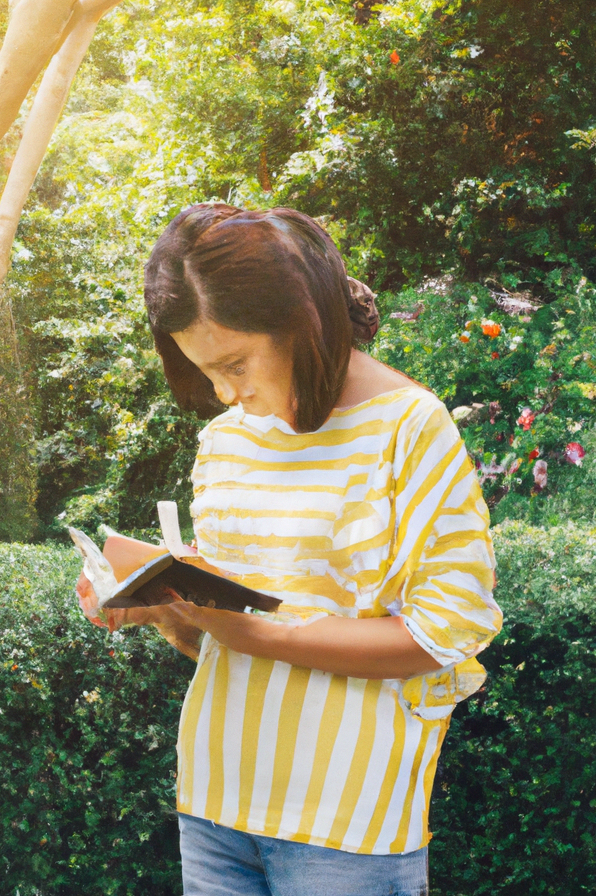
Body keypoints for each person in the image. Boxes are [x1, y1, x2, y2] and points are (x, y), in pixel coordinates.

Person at [77, 204, 502, 896]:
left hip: (347, 820)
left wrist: (263, 633)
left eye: (236, 364)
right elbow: (228, 636)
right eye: (208, 373)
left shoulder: (409, 428)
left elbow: (442, 635)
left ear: (300, 321)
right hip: (217, 803)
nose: (226, 394)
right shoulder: (226, 441)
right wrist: (163, 609)